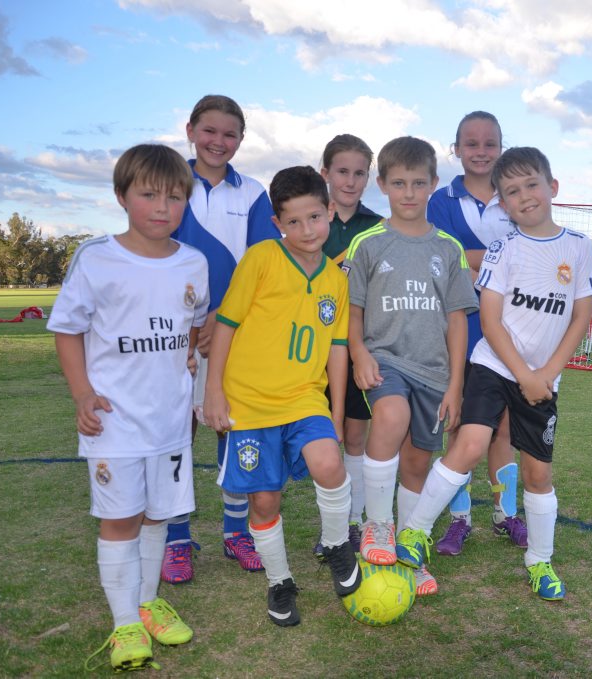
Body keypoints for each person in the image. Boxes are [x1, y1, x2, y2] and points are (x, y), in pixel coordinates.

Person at [394, 147, 592, 601]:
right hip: (492, 362)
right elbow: (489, 321)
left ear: (553, 188)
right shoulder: (504, 248)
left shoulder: (579, 247)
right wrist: (521, 371)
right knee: (468, 444)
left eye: (531, 185)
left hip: (543, 377)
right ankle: (414, 532)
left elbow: (581, 318)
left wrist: (545, 373)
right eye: (512, 191)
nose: (524, 196)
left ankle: (540, 562)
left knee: (537, 476)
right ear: (503, 206)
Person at [49, 145, 208, 671]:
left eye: (175, 197)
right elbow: (68, 330)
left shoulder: (193, 262)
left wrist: (186, 358)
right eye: (148, 195)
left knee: (158, 514)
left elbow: (192, 326)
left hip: (169, 422)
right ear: (122, 197)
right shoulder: (97, 258)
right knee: (120, 518)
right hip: (114, 421)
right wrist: (81, 395)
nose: (162, 207)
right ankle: (124, 625)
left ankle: (146, 602)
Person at [202, 165, 360, 627]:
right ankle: (280, 580)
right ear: (277, 224)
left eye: (314, 217)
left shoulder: (336, 280)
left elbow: (337, 351)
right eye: (293, 221)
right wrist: (214, 392)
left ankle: (336, 545)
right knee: (265, 502)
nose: (306, 230)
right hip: (249, 405)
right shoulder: (261, 259)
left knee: (330, 462)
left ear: (330, 211)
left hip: (304, 399)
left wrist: (334, 412)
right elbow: (226, 327)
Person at [344, 136, 478, 595]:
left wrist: (456, 385)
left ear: (433, 185)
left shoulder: (449, 248)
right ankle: (377, 525)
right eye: (398, 183)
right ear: (381, 184)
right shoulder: (368, 243)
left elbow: (458, 321)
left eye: (418, 183)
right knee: (391, 415)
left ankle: (407, 546)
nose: (408, 193)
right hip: (384, 360)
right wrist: (360, 352)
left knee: (418, 464)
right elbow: (352, 309)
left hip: (435, 373)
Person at [164, 95, 280, 584]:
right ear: (190, 130)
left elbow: (261, 265)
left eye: (229, 134)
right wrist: (194, 322)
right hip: (169, 330)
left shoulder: (253, 192)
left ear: (241, 139)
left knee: (230, 427)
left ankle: (235, 531)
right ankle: (175, 536)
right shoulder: (168, 182)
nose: (218, 141)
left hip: (232, 331)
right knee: (175, 432)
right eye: (209, 131)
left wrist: (220, 319)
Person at [426, 111, 526, 557]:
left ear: (501, 148)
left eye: (489, 144)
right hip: (459, 328)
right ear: (457, 149)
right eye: (471, 143)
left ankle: (507, 515)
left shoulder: (518, 197)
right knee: (459, 423)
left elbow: (533, 254)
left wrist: (479, 259)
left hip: (513, 332)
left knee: (503, 426)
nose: (480, 151)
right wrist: (503, 258)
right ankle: (459, 519)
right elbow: (446, 254)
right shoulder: (440, 200)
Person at [311, 133, 384, 561]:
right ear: (325, 174)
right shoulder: (310, 220)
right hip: (313, 351)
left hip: (356, 345)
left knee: (353, 437)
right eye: (342, 171)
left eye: (360, 173)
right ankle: (333, 527)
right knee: (323, 442)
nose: (351, 181)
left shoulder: (376, 226)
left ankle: (351, 524)